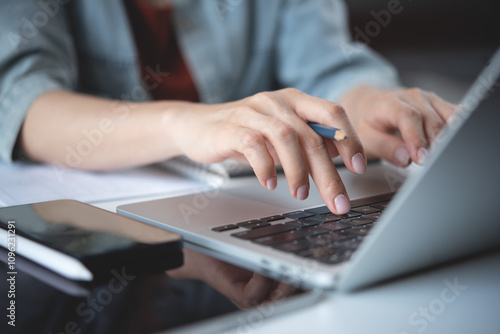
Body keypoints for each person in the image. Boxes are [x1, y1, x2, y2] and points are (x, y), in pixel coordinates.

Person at [0, 0, 456, 308]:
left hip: (248, 225)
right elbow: (21, 99)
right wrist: (186, 122)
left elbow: (329, 67)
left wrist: (368, 105)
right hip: (90, 259)